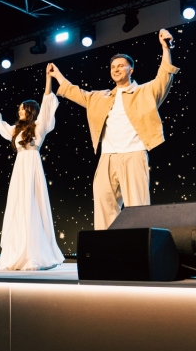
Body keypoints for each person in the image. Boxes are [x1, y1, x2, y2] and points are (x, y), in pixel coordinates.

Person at [50, 28, 179, 230]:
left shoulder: (144, 92)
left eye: (121, 66)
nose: (116, 69)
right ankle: (107, 244)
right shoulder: (101, 97)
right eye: (113, 67)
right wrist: (58, 75)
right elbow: (76, 93)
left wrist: (166, 48)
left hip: (134, 154)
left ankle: (139, 245)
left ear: (131, 70)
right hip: (107, 157)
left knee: (138, 207)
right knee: (103, 202)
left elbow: (164, 76)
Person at [0, 70, 64, 271]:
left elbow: (47, 101)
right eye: (19, 109)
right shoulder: (16, 131)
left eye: (23, 109)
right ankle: (19, 252)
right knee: (19, 207)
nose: (19, 112)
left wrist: (48, 78)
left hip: (32, 167)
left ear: (30, 111)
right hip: (19, 170)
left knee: (32, 206)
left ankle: (34, 254)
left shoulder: (40, 126)